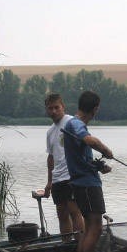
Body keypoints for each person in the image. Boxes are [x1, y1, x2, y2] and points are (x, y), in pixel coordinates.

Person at [63, 91, 113, 252]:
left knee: (89, 227)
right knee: (96, 228)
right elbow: (90, 141)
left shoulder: (73, 125)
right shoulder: (76, 124)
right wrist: (106, 150)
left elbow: (82, 158)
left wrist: (99, 167)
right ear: (95, 109)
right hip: (87, 185)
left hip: (82, 183)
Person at [44, 93, 84, 241]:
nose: (53, 111)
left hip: (72, 176)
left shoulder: (72, 122)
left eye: (56, 107)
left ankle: (81, 244)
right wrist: (49, 182)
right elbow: (51, 157)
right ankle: (66, 245)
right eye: (50, 108)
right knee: (62, 214)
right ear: (47, 110)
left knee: (75, 212)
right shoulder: (50, 132)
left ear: (63, 107)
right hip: (57, 179)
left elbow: (84, 144)